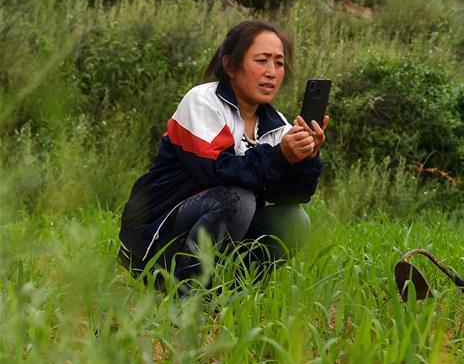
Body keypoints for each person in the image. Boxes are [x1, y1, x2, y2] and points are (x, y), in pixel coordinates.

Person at [118, 20, 328, 285]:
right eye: (262, 60)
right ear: (229, 65)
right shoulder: (203, 102)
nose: (271, 72)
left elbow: (290, 195)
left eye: (279, 63)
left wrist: (306, 159)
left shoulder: (277, 125)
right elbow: (218, 172)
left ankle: (227, 296)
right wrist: (281, 156)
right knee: (237, 199)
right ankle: (188, 298)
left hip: (213, 234)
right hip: (155, 244)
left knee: (294, 219)